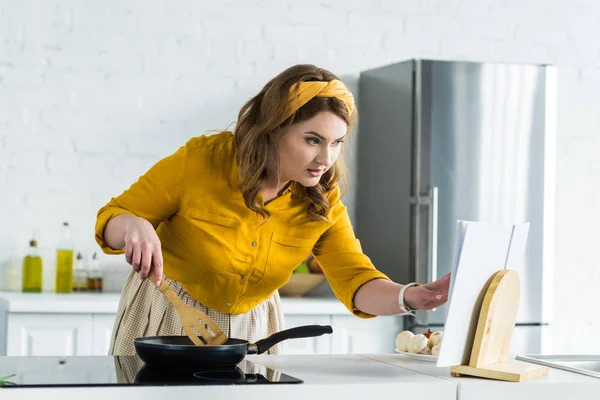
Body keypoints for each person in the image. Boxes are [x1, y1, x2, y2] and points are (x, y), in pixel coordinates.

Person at [95, 64, 450, 356]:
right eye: (312, 140)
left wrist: (410, 297)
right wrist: (133, 225)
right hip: (167, 316)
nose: (326, 159)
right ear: (273, 130)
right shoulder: (202, 162)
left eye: (336, 143)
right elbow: (112, 219)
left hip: (253, 328)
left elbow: (355, 280)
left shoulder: (321, 202)